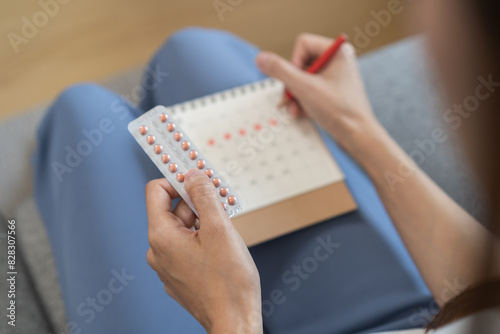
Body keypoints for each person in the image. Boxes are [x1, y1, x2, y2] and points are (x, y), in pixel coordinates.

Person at [34, 0, 500, 333]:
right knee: (192, 49)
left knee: (82, 113)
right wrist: (356, 126)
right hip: (418, 315)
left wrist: (229, 316)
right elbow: (488, 290)